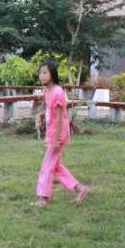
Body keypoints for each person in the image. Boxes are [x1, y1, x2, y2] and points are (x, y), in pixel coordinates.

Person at [33, 59, 89, 207]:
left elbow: (59, 116)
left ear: (53, 74)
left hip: (57, 135)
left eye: (45, 73)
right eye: (40, 73)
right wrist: (39, 115)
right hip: (52, 133)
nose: (42, 76)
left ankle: (44, 199)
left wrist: (57, 139)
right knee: (55, 166)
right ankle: (80, 188)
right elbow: (48, 110)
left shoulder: (58, 92)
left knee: (47, 166)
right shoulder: (46, 90)